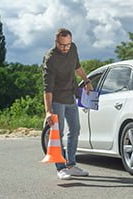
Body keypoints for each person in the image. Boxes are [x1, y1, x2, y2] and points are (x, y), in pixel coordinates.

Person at [42, 28, 93, 180]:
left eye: (68, 45)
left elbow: (77, 66)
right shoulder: (50, 59)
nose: (66, 48)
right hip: (56, 98)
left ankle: (71, 164)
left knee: (75, 129)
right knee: (58, 133)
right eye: (62, 45)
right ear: (56, 42)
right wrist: (48, 111)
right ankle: (61, 168)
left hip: (71, 96)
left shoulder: (73, 49)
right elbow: (47, 88)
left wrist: (86, 80)